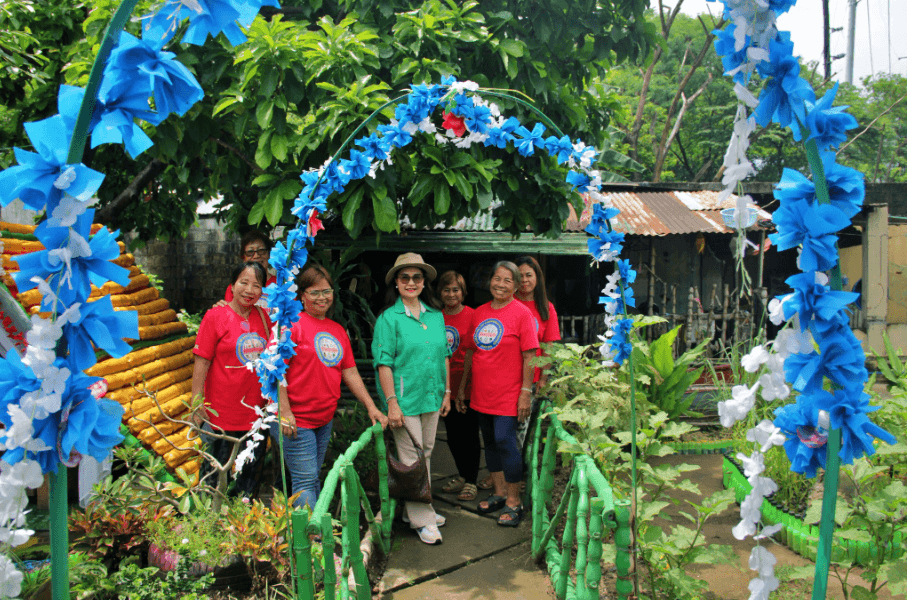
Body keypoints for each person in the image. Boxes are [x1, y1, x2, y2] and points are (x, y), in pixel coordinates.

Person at [272, 264, 388, 510]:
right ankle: (311, 542)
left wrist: (371, 407)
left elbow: (349, 370)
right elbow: (277, 371)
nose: (322, 297)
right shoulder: (291, 325)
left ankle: (310, 533)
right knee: (305, 479)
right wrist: (285, 411)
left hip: (323, 419)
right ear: (301, 295)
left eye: (327, 291)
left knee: (312, 476)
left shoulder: (336, 330)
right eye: (314, 292)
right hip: (296, 420)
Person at [372, 253, 451, 545]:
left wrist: (447, 393)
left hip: (430, 396)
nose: (411, 282)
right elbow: (383, 363)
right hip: (403, 401)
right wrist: (391, 402)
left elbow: (443, 356)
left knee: (427, 452)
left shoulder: (435, 315)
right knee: (412, 456)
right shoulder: (388, 318)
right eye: (404, 277)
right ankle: (423, 518)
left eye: (416, 277)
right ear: (395, 282)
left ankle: (415, 508)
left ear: (424, 282)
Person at [458, 261, 538, 527]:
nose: (501, 284)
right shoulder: (479, 313)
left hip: (509, 395)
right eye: (497, 278)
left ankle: (515, 501)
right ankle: (499, 493)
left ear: (516, 286)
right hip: (482, 394)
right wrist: (462, 388)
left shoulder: (522, 314)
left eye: (507, 280)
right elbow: (471, 351)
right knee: (490, 444)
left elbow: (530, 356)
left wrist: (525, 392)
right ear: (489, 281)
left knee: (506, 442)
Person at [192, 261, 272, 497]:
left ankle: (242, 527)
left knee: (248, 479)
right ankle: (207, 527)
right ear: (232, 285)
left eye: (256, 285)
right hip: (221, 414)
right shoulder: (215, 316)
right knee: (212, 477)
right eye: (243, 283)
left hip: (256, 415)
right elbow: (202, 361)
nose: (249, 290)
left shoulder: (263, 317)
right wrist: (196, 402)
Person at [436, 270, 480, 502]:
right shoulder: (435, 317)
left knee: (469, 433)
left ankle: (472, 480)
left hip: (468, 385)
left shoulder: (474, 315)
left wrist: (463, 387)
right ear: (440, 292)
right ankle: (463, 475)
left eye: (456, 289)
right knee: (452, 435)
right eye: (446, 289)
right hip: (444, 387)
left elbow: (474, 351)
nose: (451, 294)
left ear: (463, 292)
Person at [513, 255, 561, 445]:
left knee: (521, 428)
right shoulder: (507, 303)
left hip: (530, 380)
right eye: (520, 275)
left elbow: (549, 347)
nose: (524, 280)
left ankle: (514, 472)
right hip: (505, 378)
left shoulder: (546, 308)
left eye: (529, 275)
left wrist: (543, 378)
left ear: (537, 277)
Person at [221, 230, 277, 308]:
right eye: (250, 252)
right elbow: (230, 315)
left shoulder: (281, 284)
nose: (256, 256)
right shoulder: (235, 288)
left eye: (261, 250)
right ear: (243, 257)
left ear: (269, 254)